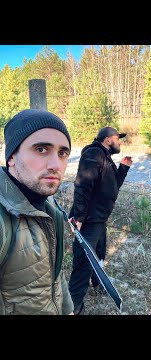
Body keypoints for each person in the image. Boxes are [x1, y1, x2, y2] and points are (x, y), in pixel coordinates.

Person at [0, 109, 74, 315]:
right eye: (41, 149)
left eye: (63, 153)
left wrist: (68, 310)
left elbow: (55, 274)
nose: (55, 165)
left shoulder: (49, 208)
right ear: (12, 157)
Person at [68, 126, 133, 315]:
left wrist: (123, 169)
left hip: (99, 218)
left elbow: (112, 187)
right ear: (107, 139)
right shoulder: (94, 155)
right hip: (89, 219)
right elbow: (82, 185)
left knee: (99, 254)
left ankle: (97, 283)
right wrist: (79, 217)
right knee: (84, 261)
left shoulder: (105, 158)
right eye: (117, 138)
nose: (119, 142)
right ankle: (73, 306)